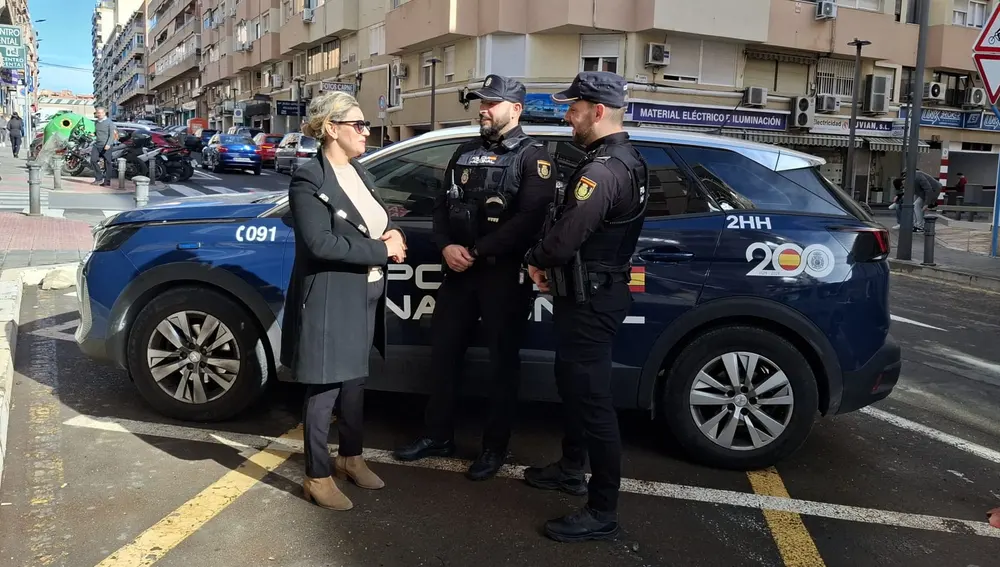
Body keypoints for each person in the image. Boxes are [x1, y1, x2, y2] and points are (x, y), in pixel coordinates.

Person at [393, 74, 556, 480]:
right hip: (458, 274)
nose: (482, 110)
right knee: (444, 355)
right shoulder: (464, 153)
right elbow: (440, 207)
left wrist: (478, 251)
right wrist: (446, 245)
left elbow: (528, 220)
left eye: (491, 104)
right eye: (480, 103)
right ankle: (437, 435)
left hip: (503, 277)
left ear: (515, 109)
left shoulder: (534, 158)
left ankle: (494, 449)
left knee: (503, 364)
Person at [523, 71, 648, 543]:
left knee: (593, 402)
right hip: (590, 294)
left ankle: (602, 509)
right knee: (572, 385)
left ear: (597, 111)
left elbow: (564, 238)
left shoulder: (603, 171)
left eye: (572, 109)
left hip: (592, 299)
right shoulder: (624, 159)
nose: (566, 116)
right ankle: (571, 468)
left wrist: (534, 259)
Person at [280, 91, 408, 511]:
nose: (367, 131)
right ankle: (317, 476)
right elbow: (320, 243)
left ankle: (350, 457)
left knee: (354, 382)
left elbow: (378, 220)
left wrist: (395, 235)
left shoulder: (358, 171)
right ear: (332, 128)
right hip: (332, 293)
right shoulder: (310, 178)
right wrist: (382, 251)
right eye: (359, 124)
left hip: (364, 292)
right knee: (324, 388)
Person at [91, 107, 115, 186]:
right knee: (93, 160)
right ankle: (99, 178)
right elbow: (97, 132)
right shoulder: (96, 122)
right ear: (96, 113)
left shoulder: (109, 122)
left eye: (101, 113)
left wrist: (108, 144)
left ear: (104, 113)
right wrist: (93, 134)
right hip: (97, 145)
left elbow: (111, 135)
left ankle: (107, 181)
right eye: (98, 113)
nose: (99, 114)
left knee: (107, 163)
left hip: (106, 145)